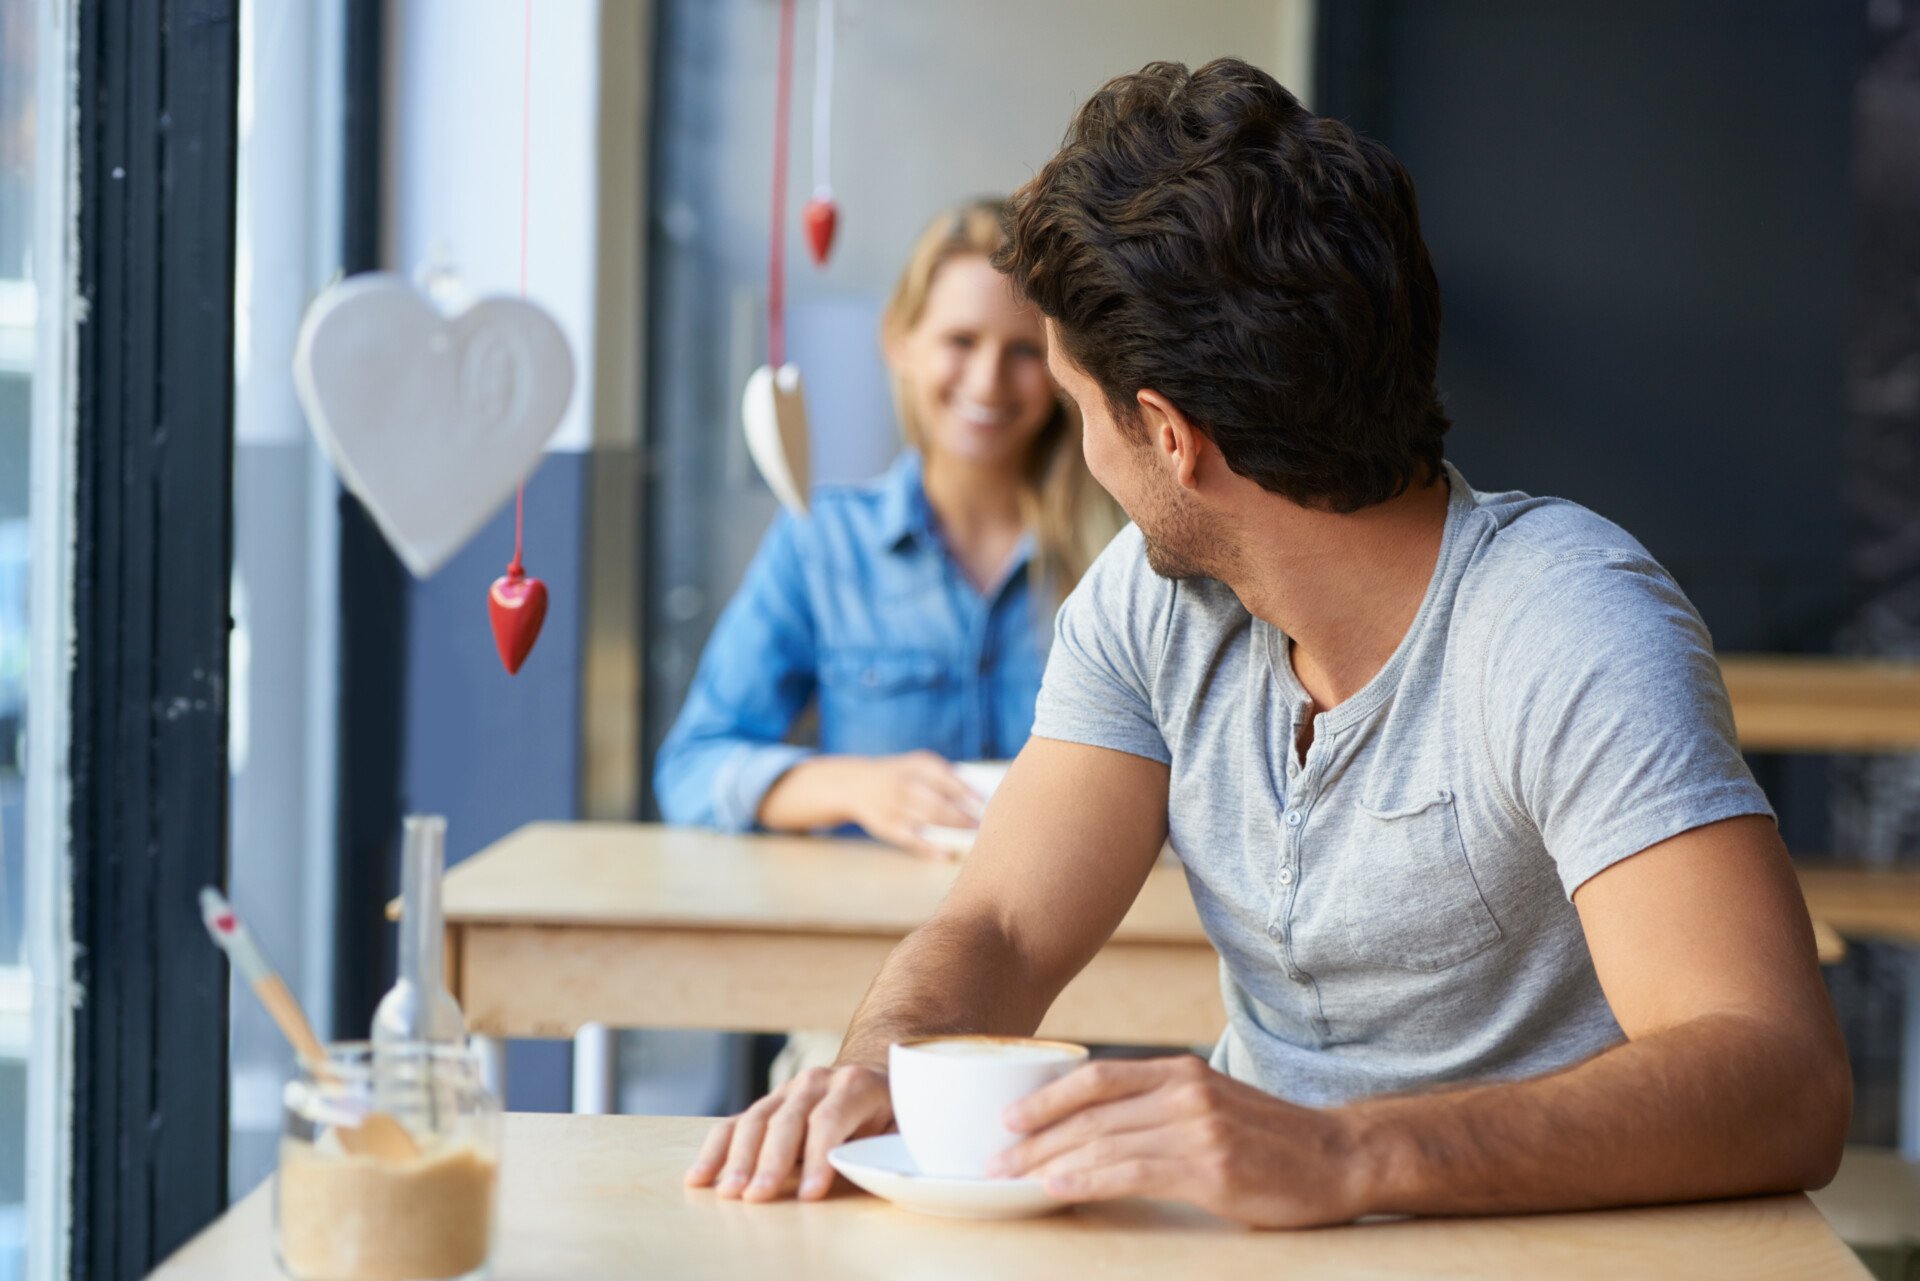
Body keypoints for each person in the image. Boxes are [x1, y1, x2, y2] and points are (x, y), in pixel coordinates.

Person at [683, 58, 1851, 1225]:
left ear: (1168, 435)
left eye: (1080, 408)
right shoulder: (1149, 605)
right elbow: (999, 923)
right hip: (1251, 1242)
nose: (1082, 453)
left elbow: (1777, 1077)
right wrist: (887, 1067)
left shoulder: (1565, 622)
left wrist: (1344, 1158)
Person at [655, 198, 1120, 856]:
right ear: (900, 342)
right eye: (960, 341)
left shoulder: (1120, 556)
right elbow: (692, 772)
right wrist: (853, 786)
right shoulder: (820, 545)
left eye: (1023, 350)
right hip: (874, 940)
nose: (988, 381)